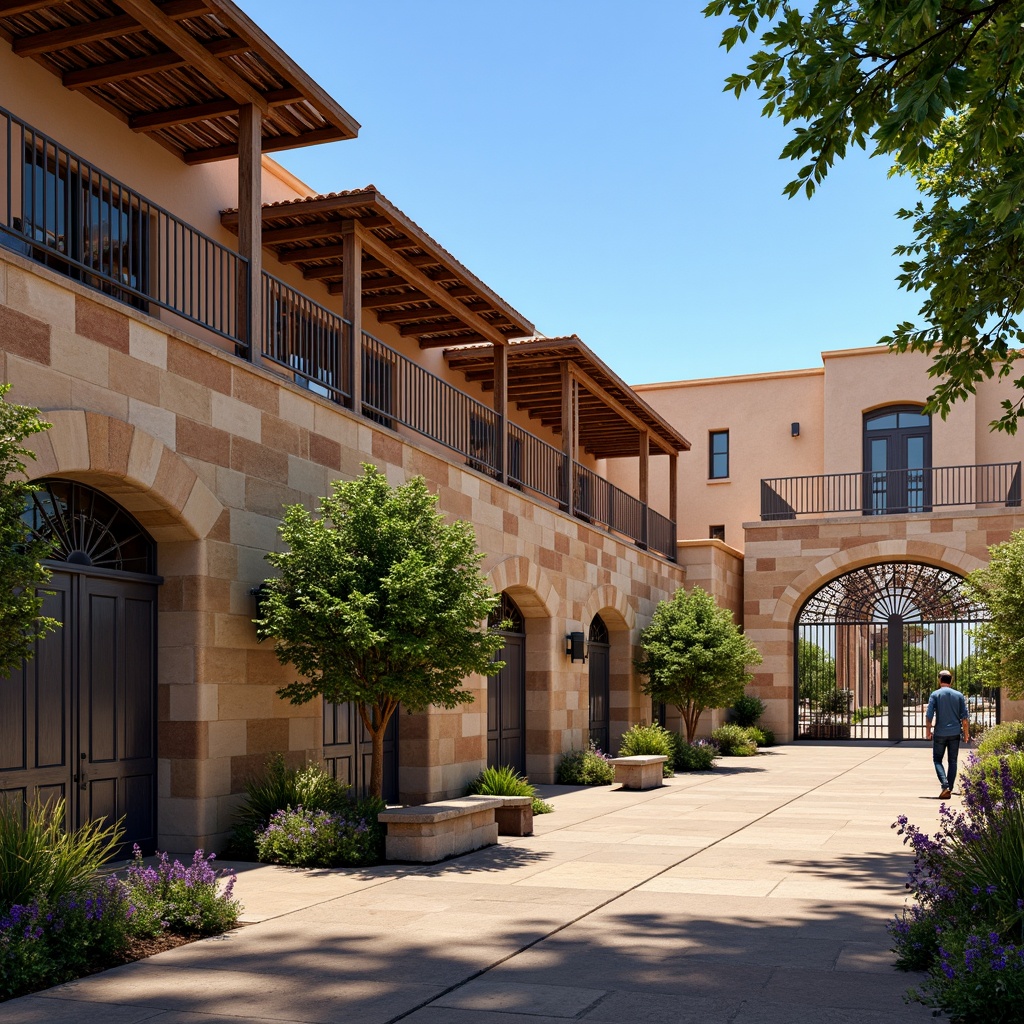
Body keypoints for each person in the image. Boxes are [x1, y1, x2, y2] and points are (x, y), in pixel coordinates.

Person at [925, 669, 970, 799]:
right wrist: (966, 734)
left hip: (940, 733)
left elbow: (929, 715)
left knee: (937, 760)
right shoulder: (959, 695)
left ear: (939, 680)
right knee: (953, 761)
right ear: (951, 680)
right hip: (955, 733)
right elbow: (965, 718)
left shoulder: (935, 694)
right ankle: (949, 788)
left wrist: (928, 731)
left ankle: (945, 785)